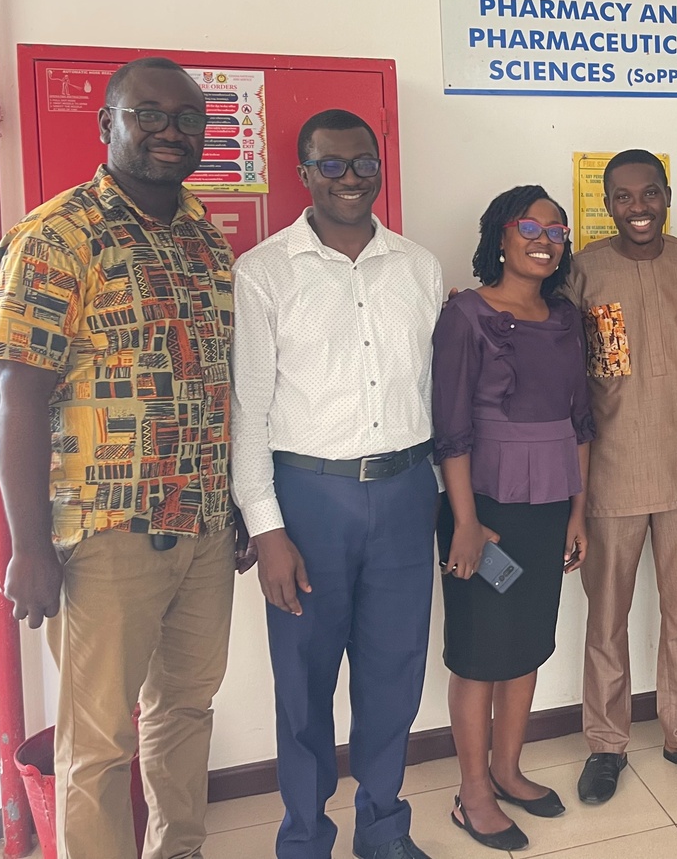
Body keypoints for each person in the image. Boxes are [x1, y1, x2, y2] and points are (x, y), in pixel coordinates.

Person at [0, 57, 246, 859]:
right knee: (98, 741)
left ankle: (178, 851)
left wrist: (233, 500)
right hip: (105, 535)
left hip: (202, 524)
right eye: (149, 114)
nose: (172, 131)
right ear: (108, 124)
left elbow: (214, 381)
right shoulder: (57, 235)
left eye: (189, 119)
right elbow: (16, 397)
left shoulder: (204, 235)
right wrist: (29, 545)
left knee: (185, 709)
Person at [231, 110, 444, 859]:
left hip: (406, 493)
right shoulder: (263, 272)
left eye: (363, 164)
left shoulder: (419, 267)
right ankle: (304, 837)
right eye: (331, 165)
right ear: (304, 174)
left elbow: (432, 392)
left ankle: (382, 829)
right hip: (308, 503)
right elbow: (248, 413)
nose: (350, 178)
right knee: (303, 681)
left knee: (394, 674)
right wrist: (267, 528)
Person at [566, 150, 677, 804]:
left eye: (649, 193)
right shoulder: (584, 271)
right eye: (624, 196)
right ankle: (606, 744)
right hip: (610, 473)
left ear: (667, 195)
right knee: (606, 620)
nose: (638, 206)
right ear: (607, 203)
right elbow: (565, 372)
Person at [432, 186, 594, 852]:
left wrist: (578, 512)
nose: (543, 239)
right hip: (485, 508)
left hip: (550, 502)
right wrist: (465, 522)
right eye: (529, 226)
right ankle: (471, 791)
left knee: (525, 641)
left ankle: (507, 769)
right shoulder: (466, 315)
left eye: (556, 230)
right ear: (499, 236)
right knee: (479, 652)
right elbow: (450, 427)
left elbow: (581, 421)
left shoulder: (566, 316)